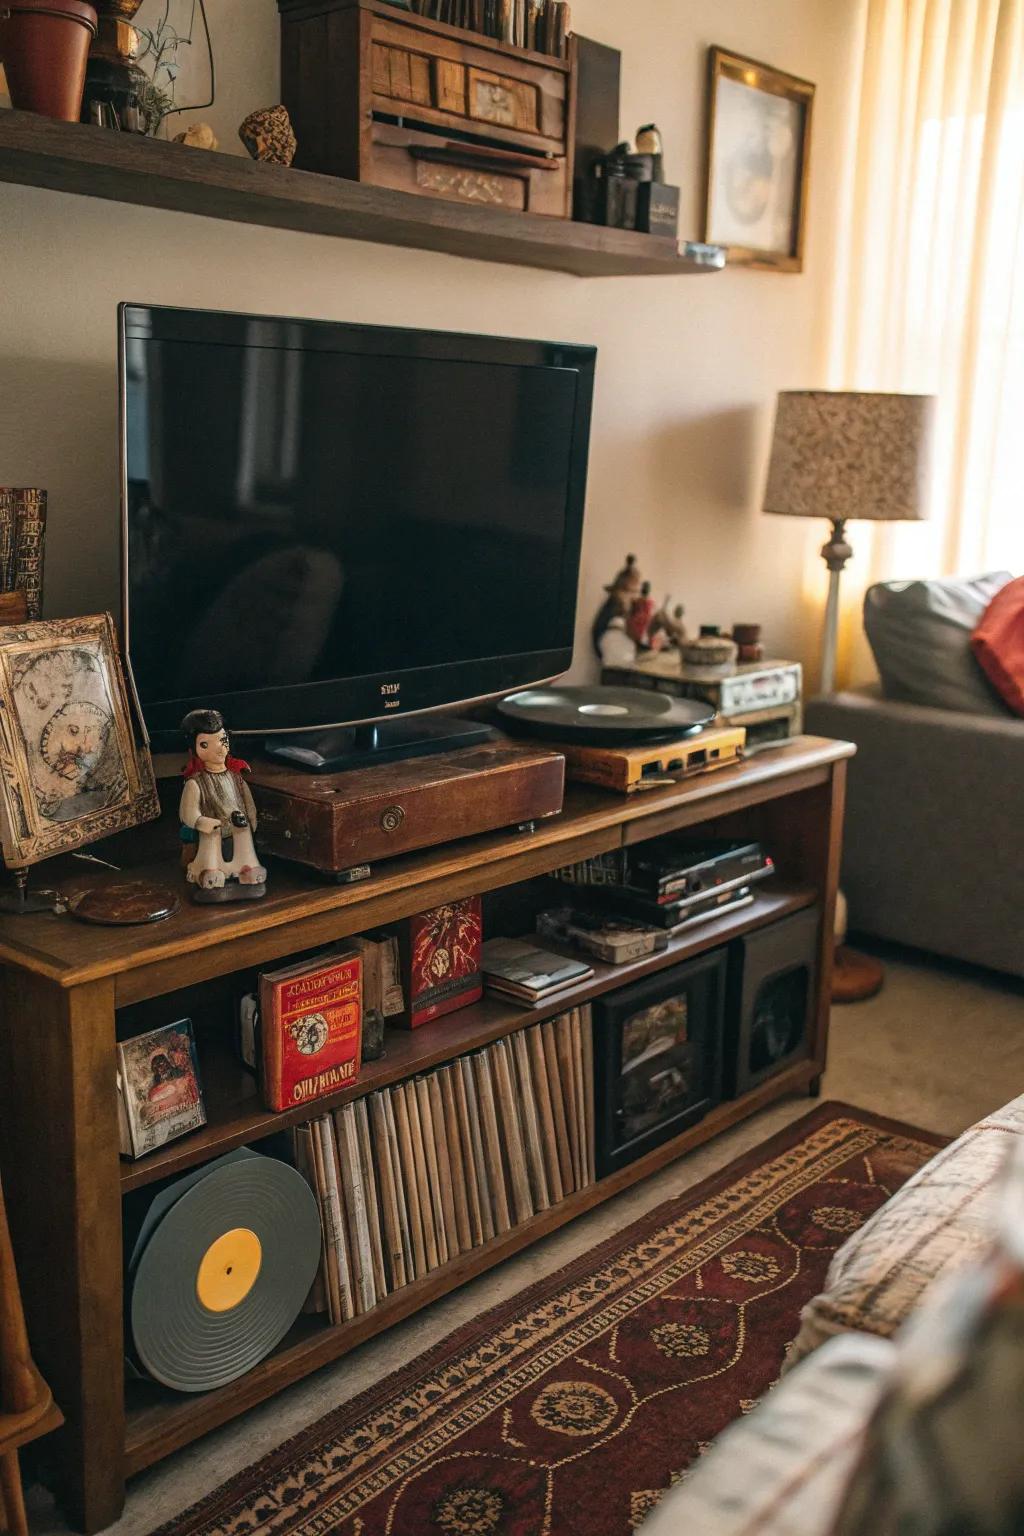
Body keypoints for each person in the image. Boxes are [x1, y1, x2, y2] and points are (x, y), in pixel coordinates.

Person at [179, 708, 267, 898]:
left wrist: (252, 819)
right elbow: (188, 813)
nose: (219, 748)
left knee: (244, 838)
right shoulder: (196, 783)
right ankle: (209, 872)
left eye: (222, 740)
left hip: (236, 831)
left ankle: (247, 869)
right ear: (194, 749)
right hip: (212, 834)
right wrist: (202, 822)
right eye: (205, 744)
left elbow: (248, 802)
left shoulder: (236, 778)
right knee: (212, 838)